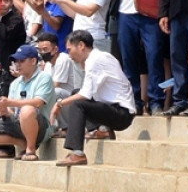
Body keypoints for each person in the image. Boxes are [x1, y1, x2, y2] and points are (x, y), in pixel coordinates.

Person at [52, 30, 137, 167]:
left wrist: (59, 104)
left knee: (78, 104)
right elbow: (87, 92)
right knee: (75, 92)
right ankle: (103, 130)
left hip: (122, 114)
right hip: (114, 110)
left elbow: (85, 95)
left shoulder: (95, 59)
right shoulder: (98, 57)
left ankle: (77, 153)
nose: (69, 55)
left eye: (69, 50)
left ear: (81, 45)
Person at [0, 44, 56, 161]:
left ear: (33, 61)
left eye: (22, 61)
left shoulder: (44, 77)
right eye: (16, 61)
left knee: (27, 109)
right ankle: (22, 143)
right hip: (19, 123)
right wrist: (4, 111)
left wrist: (10, 102)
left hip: (41, 127)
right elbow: (12, 112)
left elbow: (38, 103)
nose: (17, 64)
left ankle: (31, 149)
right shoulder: (16, 83)